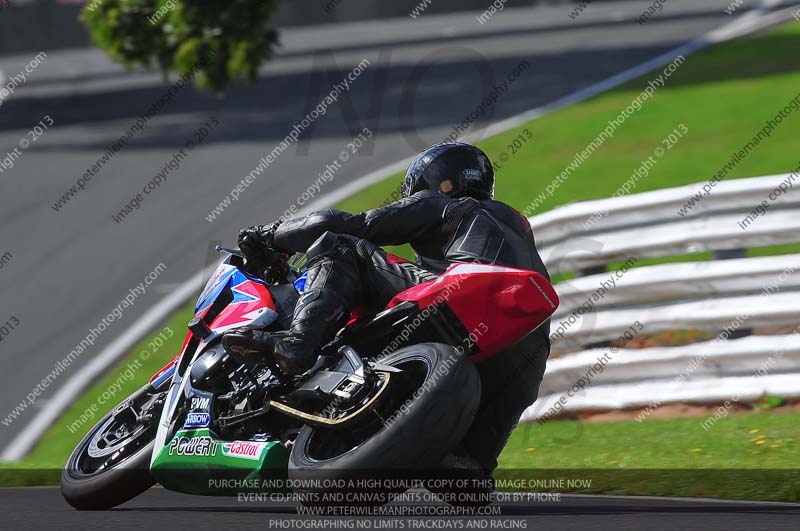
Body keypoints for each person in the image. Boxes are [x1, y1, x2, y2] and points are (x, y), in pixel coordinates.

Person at [223, 142, 551, 475]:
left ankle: (298, 342)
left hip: (465, 294)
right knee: (466, 471)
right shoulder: (513, 226)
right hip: (529, 348)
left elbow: (343, 224)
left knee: (342, 246)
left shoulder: (450, 206)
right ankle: (468, 463)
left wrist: (269, 236)